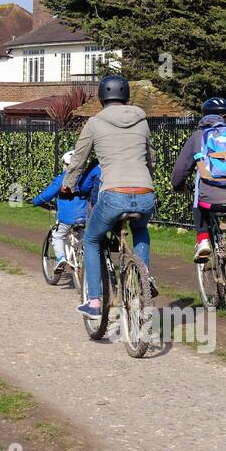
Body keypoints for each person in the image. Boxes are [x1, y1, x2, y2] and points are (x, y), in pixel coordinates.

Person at [60, 74, 157, 320]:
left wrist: (68, 186)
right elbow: (151, 158)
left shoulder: (94, 123)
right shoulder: (142, 121)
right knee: (141, 230)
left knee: (92, 240)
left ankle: (94, 301)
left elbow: (78, 161)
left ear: (103, 97)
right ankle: (143, 276)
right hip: (145, 193)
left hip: (114, 193)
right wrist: (148, 180)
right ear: (125, 96)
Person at [171, 97, 226, 300]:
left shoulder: (198, 137)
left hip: (209, 199)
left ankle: (203, 239)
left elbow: (180, 171)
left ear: (205, 116)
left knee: (198, 200)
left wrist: (178, 187)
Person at [31, 150, 101, 275]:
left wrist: (36, 201)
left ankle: (61, 259)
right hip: (83, 216)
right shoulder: (85, 178)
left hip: (67, 217)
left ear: (65, 164)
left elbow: (48, 194)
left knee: (58, 236)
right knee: (83, 239)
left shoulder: (62, 179)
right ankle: (86, 264)